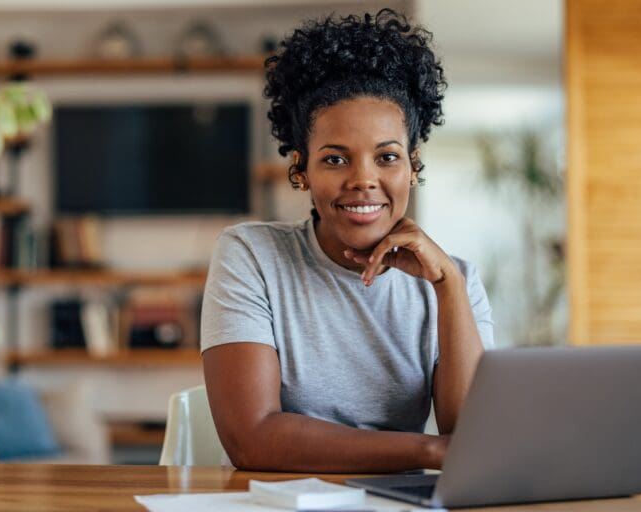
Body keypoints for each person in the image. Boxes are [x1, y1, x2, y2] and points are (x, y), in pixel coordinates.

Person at [200, 9, 495, 473]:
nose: (364, 180)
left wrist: (448, 288)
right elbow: (252, 439)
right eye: (336, 160)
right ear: (300, 170)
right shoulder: (251, 256)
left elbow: (473, 438)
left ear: (413, 167)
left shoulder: (455, 279)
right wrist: (428, 451)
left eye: (388, 157)